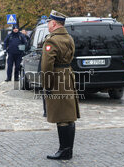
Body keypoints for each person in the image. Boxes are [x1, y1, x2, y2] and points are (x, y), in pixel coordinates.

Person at [41, 10, 80, 160]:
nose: (48, 25)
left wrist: (47, 85)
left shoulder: (51, 40)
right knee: (69, 116)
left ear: (54, 23)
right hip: (68, 77)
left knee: (62, 116)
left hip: (57, 79)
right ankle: (67, 150)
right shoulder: (69, 37)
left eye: (49, 23)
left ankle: (64, 151)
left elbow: (46, 66)